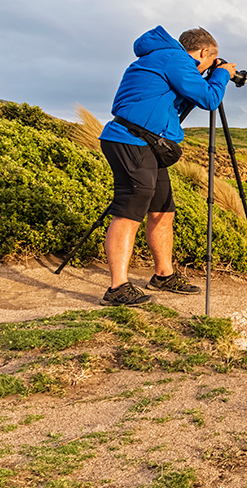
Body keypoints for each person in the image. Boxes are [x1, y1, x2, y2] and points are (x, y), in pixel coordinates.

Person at [97, 26, 236, 305]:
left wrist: (212, 73)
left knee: (163, 210)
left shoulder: (167, 59)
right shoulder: (175, 59)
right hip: (131, 141)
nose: (206, 68)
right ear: (204, 52)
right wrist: (221, 74)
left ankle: (163, 275)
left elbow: (183, 100)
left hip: (147, 144)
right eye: (209, 61)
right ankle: (117, 288)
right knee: (128, 212)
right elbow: (210, 99)